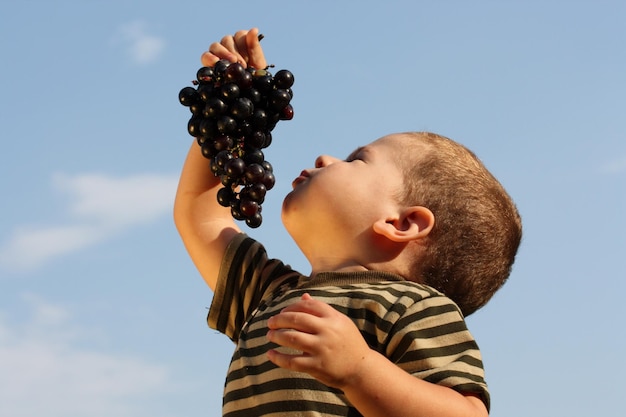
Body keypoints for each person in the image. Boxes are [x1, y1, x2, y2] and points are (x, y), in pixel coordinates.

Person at [174, 28, 522, 417]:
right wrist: (233, 103)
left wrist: (360, 369)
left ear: (403, 223)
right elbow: (200, 214)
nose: (325, 158)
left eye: (357, 159)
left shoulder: (413, 308)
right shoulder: (267, 298)